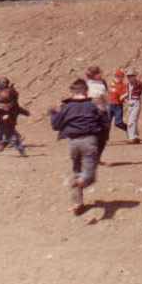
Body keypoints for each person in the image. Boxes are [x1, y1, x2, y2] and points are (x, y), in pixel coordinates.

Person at [49, 79, 107, 215]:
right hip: (90, 141)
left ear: (71, 92)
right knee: (88, 176)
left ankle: (77, 204)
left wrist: (53, 113)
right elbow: (104, 123)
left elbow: (56, 125)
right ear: (86, 91)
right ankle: (79, 182)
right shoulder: (92, 106)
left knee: (77, 171)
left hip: (74, 143)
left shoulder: (67, 107)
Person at [0, 81, 29, 156]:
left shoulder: (10, 102)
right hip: (2, 124)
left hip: (11, 122)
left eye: (7, 92)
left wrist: (27, 113)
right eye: (4, 92)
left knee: (9, 135)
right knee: (13, 137)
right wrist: (1, 117)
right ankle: (21, 150)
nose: (6, 93)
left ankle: (3, 145)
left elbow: (18, 109)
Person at [124, 69, 142, 144]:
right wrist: (124, 97)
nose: (129, 78)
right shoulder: (127, 85)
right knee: (131, 120)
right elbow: (128, 93)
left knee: (132, 120)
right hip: (129, 103)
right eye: (128, 76)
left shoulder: (140, 83)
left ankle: (132, 137)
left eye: (131, 76)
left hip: (136, 102)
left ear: (135, 76)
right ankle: (135, 136)